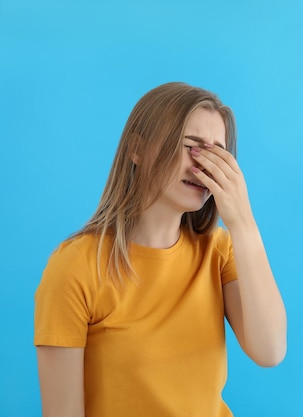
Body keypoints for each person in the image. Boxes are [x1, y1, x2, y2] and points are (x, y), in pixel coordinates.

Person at [34, 82, 287, 417]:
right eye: (191, 147)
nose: (204, 167)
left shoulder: (219, 251)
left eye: (217, 153)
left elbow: (269, 351)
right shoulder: (76, 266)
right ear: (137, 150)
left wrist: (243, 223)